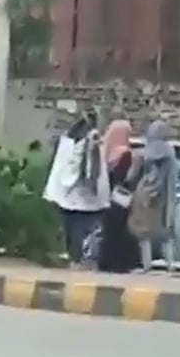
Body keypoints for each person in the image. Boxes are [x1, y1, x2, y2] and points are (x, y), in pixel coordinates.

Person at [42, 110, 110, 270]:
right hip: (73, 195)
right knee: (72, 228)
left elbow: (92, 170)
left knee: (78, 229)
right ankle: (74, 258)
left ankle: (77, 258)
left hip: (82, 197)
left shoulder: (90, 142)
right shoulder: (71, 143)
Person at [127, 119, 178, 275]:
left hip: (144, 196)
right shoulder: (170, 153)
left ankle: (147, 265)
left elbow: (131, 176)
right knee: (166, 231)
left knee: (144, 233)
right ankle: (170, 265)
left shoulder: (144, 153)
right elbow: (173, 178)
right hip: (164, 195)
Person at [97, 118, 141, 273]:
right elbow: (125, 179)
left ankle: (106, 262)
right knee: (122, 232)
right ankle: (122, 264)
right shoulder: (126, 154)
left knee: (109, 232)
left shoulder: (105, 153)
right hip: (121, 201)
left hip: (106, 198)